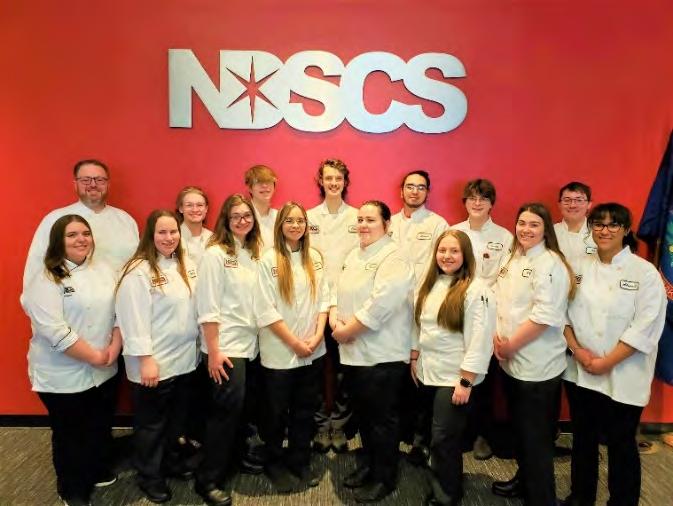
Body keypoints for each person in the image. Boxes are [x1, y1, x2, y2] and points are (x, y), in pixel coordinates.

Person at [561, 203, 666, 506]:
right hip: (581, 369)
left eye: (613, 225)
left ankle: (622, 501)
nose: (604, 230)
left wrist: (606, 362)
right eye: (598, 224)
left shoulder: (644, 273)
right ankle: (580, 497)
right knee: (583, 439)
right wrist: (578, 351)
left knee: (621, 443)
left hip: (623, 373)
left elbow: (645, 326)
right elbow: (561, 313)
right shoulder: (577, 266)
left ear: (626, 229)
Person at [21, 214, 121, 506]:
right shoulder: (45, 278)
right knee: (70, 433)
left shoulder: (104, 269)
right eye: (72, 235)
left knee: (98, 425)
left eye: (85, 234)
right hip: (62, 372)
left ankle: (96, 469)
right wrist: (95, 356)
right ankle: (72, 488)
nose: (81, 239)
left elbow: (121, 311)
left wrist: (114, 348)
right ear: (58, 241)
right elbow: (54, 331)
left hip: (105, 365)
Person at [491, 203, 575, 506]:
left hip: (536, 366)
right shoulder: (513, 256)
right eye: (522, 223)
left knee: (536, 439)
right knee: (521, 432)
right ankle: (524, 481)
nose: (526, 229)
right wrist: (496, 338)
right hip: (510, 361)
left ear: (545, 229)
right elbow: (498, 299)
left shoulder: (550, 263)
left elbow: (544, 316)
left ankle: (541, 498)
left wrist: (511, 344)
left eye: (534, 224)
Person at [332, 200, 415, 503]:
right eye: (360, 220)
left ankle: (384, 477)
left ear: (387, 224)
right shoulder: (354, 254)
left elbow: (380, 306)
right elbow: (337, 292)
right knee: (365, 418)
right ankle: (369, 465)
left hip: (382, 356)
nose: (363, 225)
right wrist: (335, 319)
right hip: (354, 353)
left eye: (371, 220)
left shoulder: (395, 258)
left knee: (382, 421)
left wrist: (346, 331)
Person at [115, 210, 199, 504]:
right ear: (150, 235)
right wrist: (145, 359)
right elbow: (132, 319)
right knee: (151, 425)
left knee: (176, 421)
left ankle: (171, 462)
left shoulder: (185, 265)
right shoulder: (137, 271)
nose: (169, 237)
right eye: (162, 232)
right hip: (153, 363)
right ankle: (149, 475)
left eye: (173, 232)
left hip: (184, 361)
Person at [412, 229, 495, 505]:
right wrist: (415, 358)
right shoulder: (431, 284)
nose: (447, 256)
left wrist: (466, 381)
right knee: (437, 437)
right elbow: (420, 325)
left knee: (444, 438)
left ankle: (447, 496)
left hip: (455, 377)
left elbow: (480, 339)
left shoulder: (476, 290)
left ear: (465, 255)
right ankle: (446, 482)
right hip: (429, 372)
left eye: (454, 251)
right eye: (442, 250)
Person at [254, 201, 329, 492]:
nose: (296, 226)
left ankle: (299, 459)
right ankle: (274, 462)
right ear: (280, 225)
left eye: (300, 221)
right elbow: (265, 309)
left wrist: (318, 335)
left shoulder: (315, 257)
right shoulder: (268, 259)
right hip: (280, 351)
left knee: (304, 410)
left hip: (312, 349)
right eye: (289, 221)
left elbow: (324, 300)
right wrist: (294, 342)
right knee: (275, 413)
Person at [193, 194, 262, 506]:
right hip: (225, 346)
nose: (242, 220)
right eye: (236, 216)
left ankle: (234, 460)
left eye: (247, 215)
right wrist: (213, 351)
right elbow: (207, 306)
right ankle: (207, 480)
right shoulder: (215, 254)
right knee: (223, 414)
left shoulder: (252, 253)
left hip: (250, 346)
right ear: (225, 220)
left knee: (242, 411)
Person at [390, 170, 449, 464]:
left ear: (427, 192)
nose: (415, 191)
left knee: (421, 376)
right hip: (391, 308)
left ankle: (420, 440)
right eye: (410, 186)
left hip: (424, 306)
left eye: (421, 187)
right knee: (395, 374)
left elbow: (444, 265)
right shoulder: (389, 223)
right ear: (401, 191)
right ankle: (398, 433)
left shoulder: (438, 224)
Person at [452, 178, 512, 460]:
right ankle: (460, 433)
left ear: (491, 203)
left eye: (483, 198)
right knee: (458, 371)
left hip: (489, 312)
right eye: (472, 198)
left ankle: (482, 435)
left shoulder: (504, 237)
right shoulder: (453, 232)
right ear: (465, 201)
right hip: (457, 310)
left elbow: (505, 278)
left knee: (485, 376)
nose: (477, 203)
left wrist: (483, 299)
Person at [306, 159, 359, 454]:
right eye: (328, 178)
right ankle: (318, 425)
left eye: (338, 178)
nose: (334, 183)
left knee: (342, 369)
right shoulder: (308, 217)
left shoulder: (357, 217)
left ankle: (339, 425)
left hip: (346, 304)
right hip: (315, 304)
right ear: (321, 181)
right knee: (314, 368)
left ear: (345, 182)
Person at [24, 159, 138, 291]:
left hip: (123, 297)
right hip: (75, 299)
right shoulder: (55, 219)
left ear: (108, 184)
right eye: (86, 180)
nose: (93, 184)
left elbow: (137, 263)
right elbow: (38, 264)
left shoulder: (125, 220)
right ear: (75, 184)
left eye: (100, 180)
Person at [176, 185, 213, 266]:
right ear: (181, 208)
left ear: (206, 208)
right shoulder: (173, 238)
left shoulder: (213, 239)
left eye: (200, 205)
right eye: (189, 205)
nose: (195, 209)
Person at [244, 164, 278, 252]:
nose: (265, 186)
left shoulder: (279, 216)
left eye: (269, 181)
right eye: (258, 182)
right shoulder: (242, 216)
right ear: (249, 188)